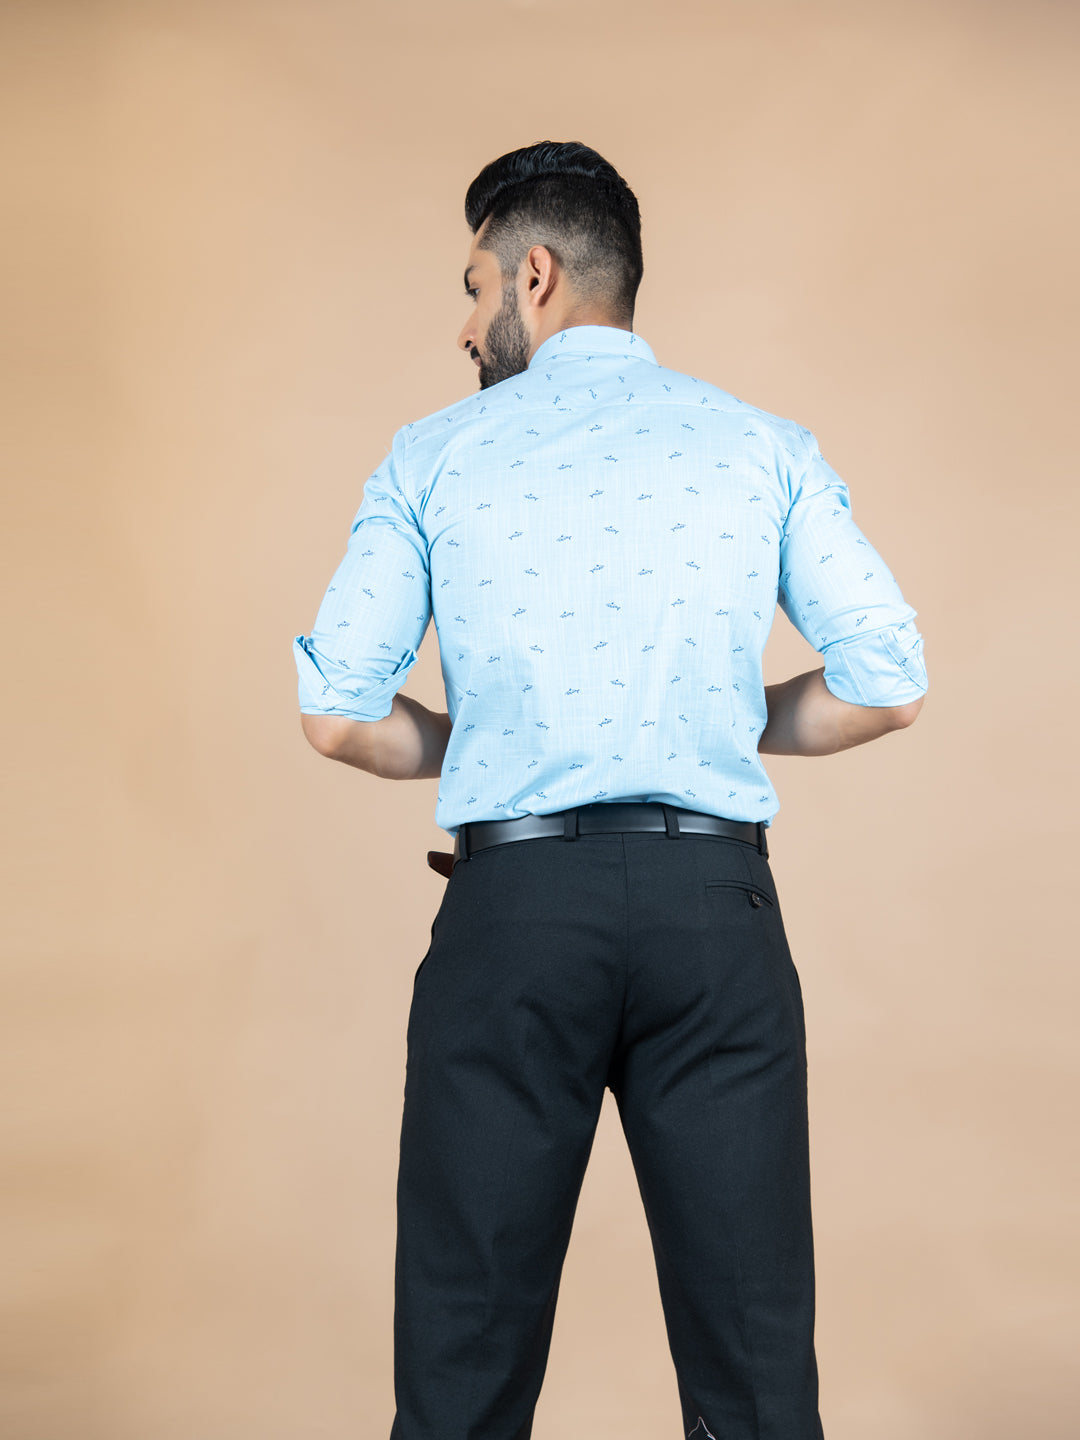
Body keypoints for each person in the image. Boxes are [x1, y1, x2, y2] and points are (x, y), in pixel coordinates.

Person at [293, 140, 927, 1440]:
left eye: (474, 288)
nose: (464, 325)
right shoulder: (762, 445)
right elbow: (890, 682)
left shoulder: (433, 454)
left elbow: (337, 713)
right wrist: (707, 718)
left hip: (514, 916)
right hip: (714, 915)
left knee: (463, 1364)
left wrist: (493, 743)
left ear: (534, 275)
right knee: (756, 1371)